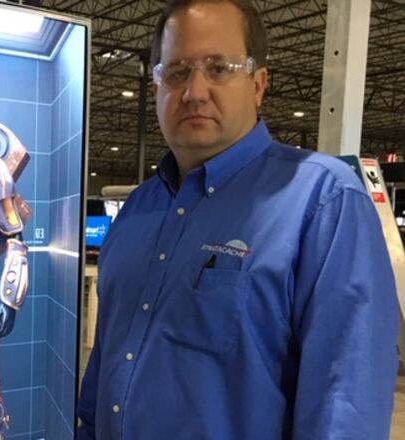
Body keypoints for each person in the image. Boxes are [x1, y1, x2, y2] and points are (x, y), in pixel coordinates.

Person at [76, 0, 400, 438]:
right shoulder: (138, 211)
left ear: (258, 84)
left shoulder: (322, 203)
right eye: (176, 72)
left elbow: (345, 410)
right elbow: (105, 369)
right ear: (156, 90)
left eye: (220, 67)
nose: (194, 91)